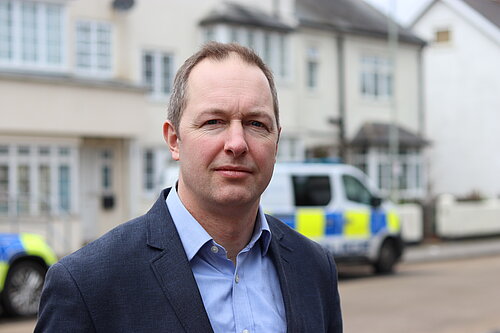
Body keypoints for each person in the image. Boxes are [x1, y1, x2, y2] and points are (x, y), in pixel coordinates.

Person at [35, 42, 342, 333]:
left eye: (256, 124)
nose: (236, 143)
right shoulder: (87, 283)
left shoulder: (314, 267)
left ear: (276, 142)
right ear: (173, 140)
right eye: (213, 121)